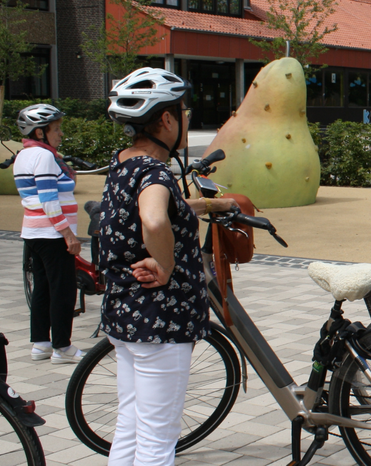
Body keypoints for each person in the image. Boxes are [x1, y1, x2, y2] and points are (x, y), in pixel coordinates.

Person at [101, 68, 237, 466]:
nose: (187, 118)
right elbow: (155, 219)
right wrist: (165, 261)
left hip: (125, 316)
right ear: (166, 120)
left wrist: (209, 205)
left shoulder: (123, 164)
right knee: (159, 442)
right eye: (184, 112)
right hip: (161, 320)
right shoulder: (155, 171)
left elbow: (161, 209)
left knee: (130, 425)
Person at [13, 104, 84, 364]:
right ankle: (62, 347)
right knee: (63, 290)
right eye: (56, 129)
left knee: (42, 288)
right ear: (40, 133)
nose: (61, 134)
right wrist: (68, 234)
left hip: (34, 233)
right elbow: (48, 198)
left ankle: (41, 343)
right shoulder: (44, 157)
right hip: (52, 234)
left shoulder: (25, 155)